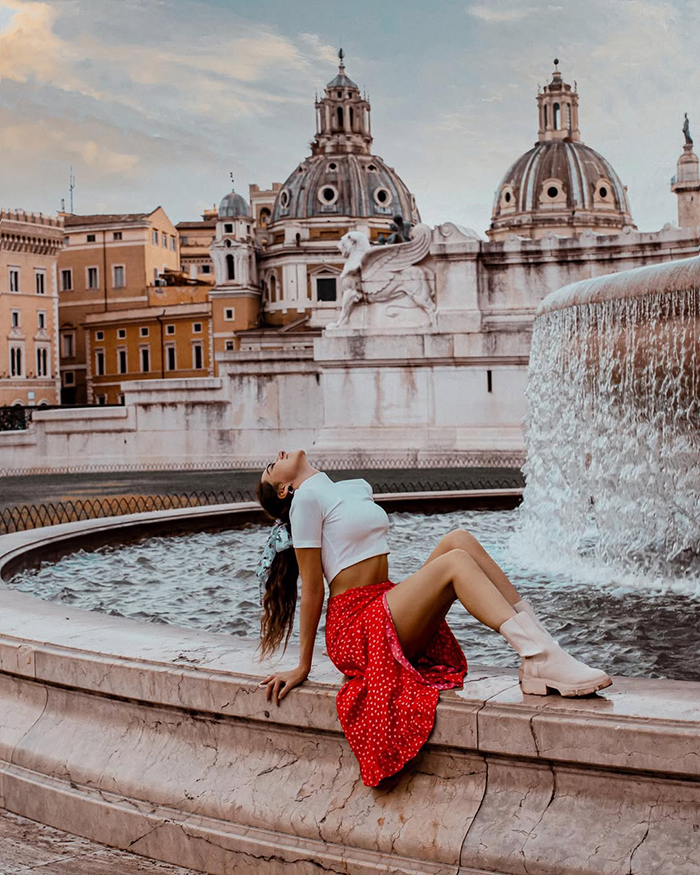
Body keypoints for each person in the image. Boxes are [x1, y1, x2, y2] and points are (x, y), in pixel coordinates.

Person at [255, 449, 611, 787]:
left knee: (459, 541)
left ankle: (542, 653)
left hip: (381, 604)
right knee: (454, 564)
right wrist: (302, 665)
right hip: (355, 626)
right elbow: (313, 588)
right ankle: (539, 656)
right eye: (273, 465)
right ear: (286, 490)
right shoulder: (304, 500)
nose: (281, 454)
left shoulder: (353, 487)